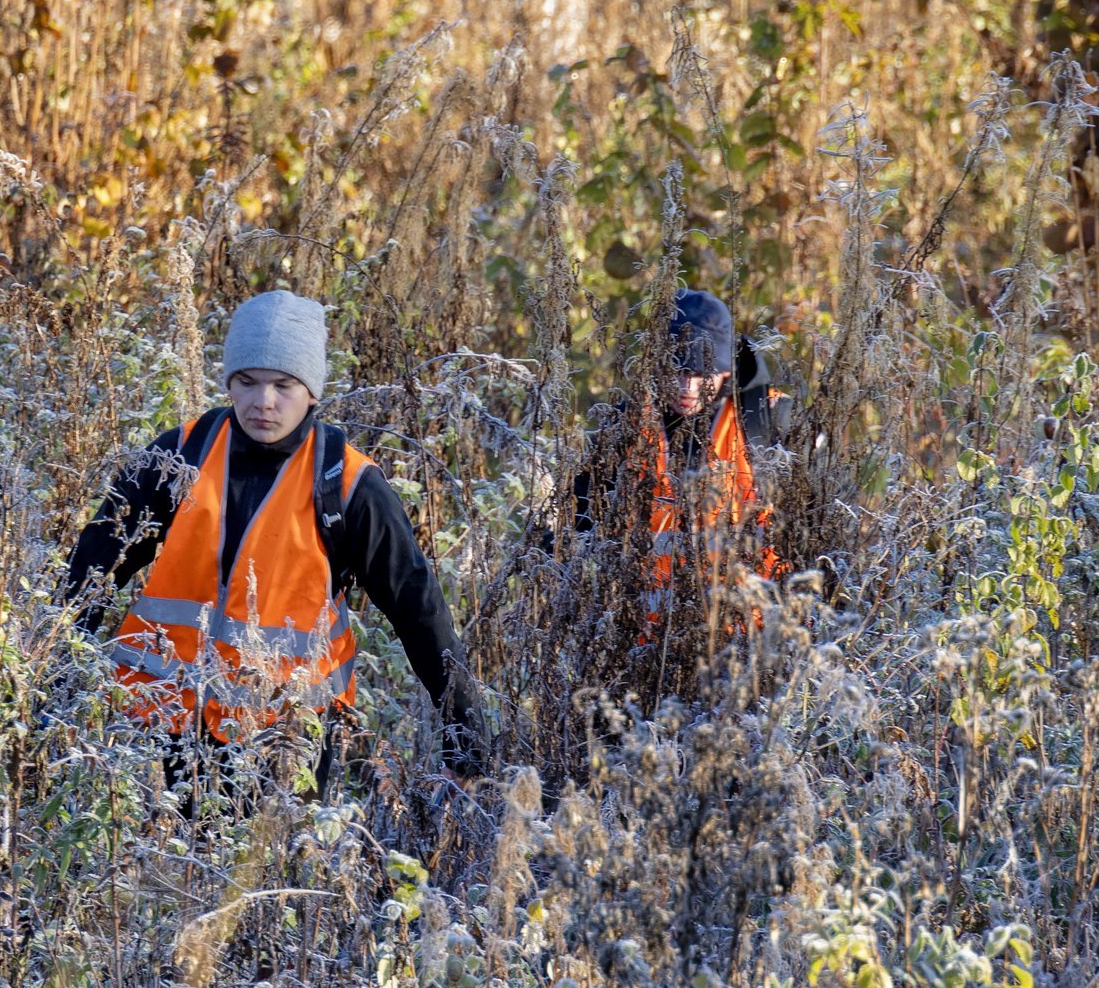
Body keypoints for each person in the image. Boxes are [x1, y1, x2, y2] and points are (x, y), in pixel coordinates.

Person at [64, 289, 483, 795]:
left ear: (312, 391)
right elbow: (91, 571)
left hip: (283, 743)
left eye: (284, 384)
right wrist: (50, 688)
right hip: (158, 727)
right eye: (248, 382)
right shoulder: (180, 455)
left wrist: (466, 737)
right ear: (229, 384)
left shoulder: (347, 485)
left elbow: (419, 611)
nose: (264, 402)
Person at [574, 288, 787, 632]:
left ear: (728, 369)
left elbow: (815, 528)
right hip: (646, 649)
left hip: (751, 644)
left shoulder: (772, 420)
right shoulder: (622, 428)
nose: (687, 386)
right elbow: (580, 527)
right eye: (677, 370)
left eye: (703, 372)